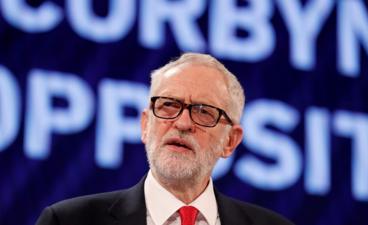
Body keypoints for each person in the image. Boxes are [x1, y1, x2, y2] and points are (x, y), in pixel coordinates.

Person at [35, 53, 294, 225]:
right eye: (169, 105)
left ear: (230, 141)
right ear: (146, 125)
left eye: (204, 112)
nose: (182, 123)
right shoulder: (69, 221)